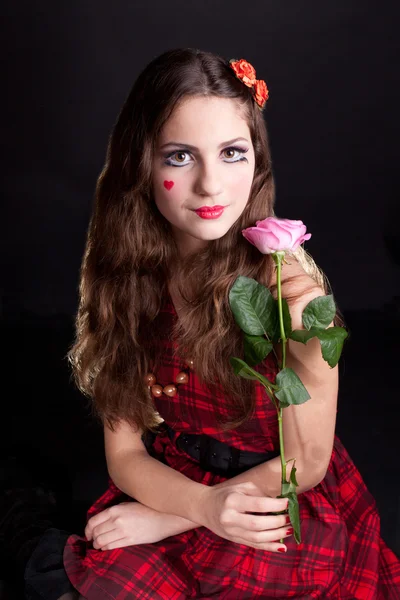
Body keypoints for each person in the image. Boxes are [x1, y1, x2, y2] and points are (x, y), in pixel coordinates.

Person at [23, 47, 400, 599]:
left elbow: (308, 461)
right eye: (179, 157)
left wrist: (181, 518)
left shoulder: (291, 292)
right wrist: (198, 504)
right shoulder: (124, 275)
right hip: (175, 481)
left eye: (231, 152)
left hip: (274, 493)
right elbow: (125, 453)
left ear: (257, 159)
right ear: (141, 164)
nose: (211, 186)